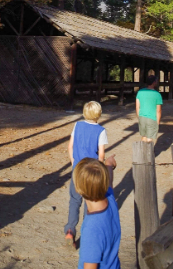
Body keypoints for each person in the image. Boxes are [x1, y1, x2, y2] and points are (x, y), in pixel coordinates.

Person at [64, 101, 108, 249]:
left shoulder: (77, 125)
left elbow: (70, 146)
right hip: (91, 172)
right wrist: (101, 171)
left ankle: (70, 229)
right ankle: (86, 233)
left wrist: (73, 163)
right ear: (99, 114)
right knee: (89, 203)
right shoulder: (101, 131)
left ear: (84, 112)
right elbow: (101, 155)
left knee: (74, 201)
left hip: (77, 169)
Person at [75, 155, 120, 269]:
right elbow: (109, 182)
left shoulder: (92, 229)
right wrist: (109, 165)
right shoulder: (109, 198)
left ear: (78, 188)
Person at [136, 74, 162, 143]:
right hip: (152, 118)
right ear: (154, 82)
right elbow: (158, 110)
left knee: (143, 136)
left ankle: (142, 152)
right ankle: (148, 153)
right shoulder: (157, 94)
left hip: (142, 117)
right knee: (149, 138)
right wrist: (158, 122)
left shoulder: (140, 92)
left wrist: (139, 117)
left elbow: (137, 107)